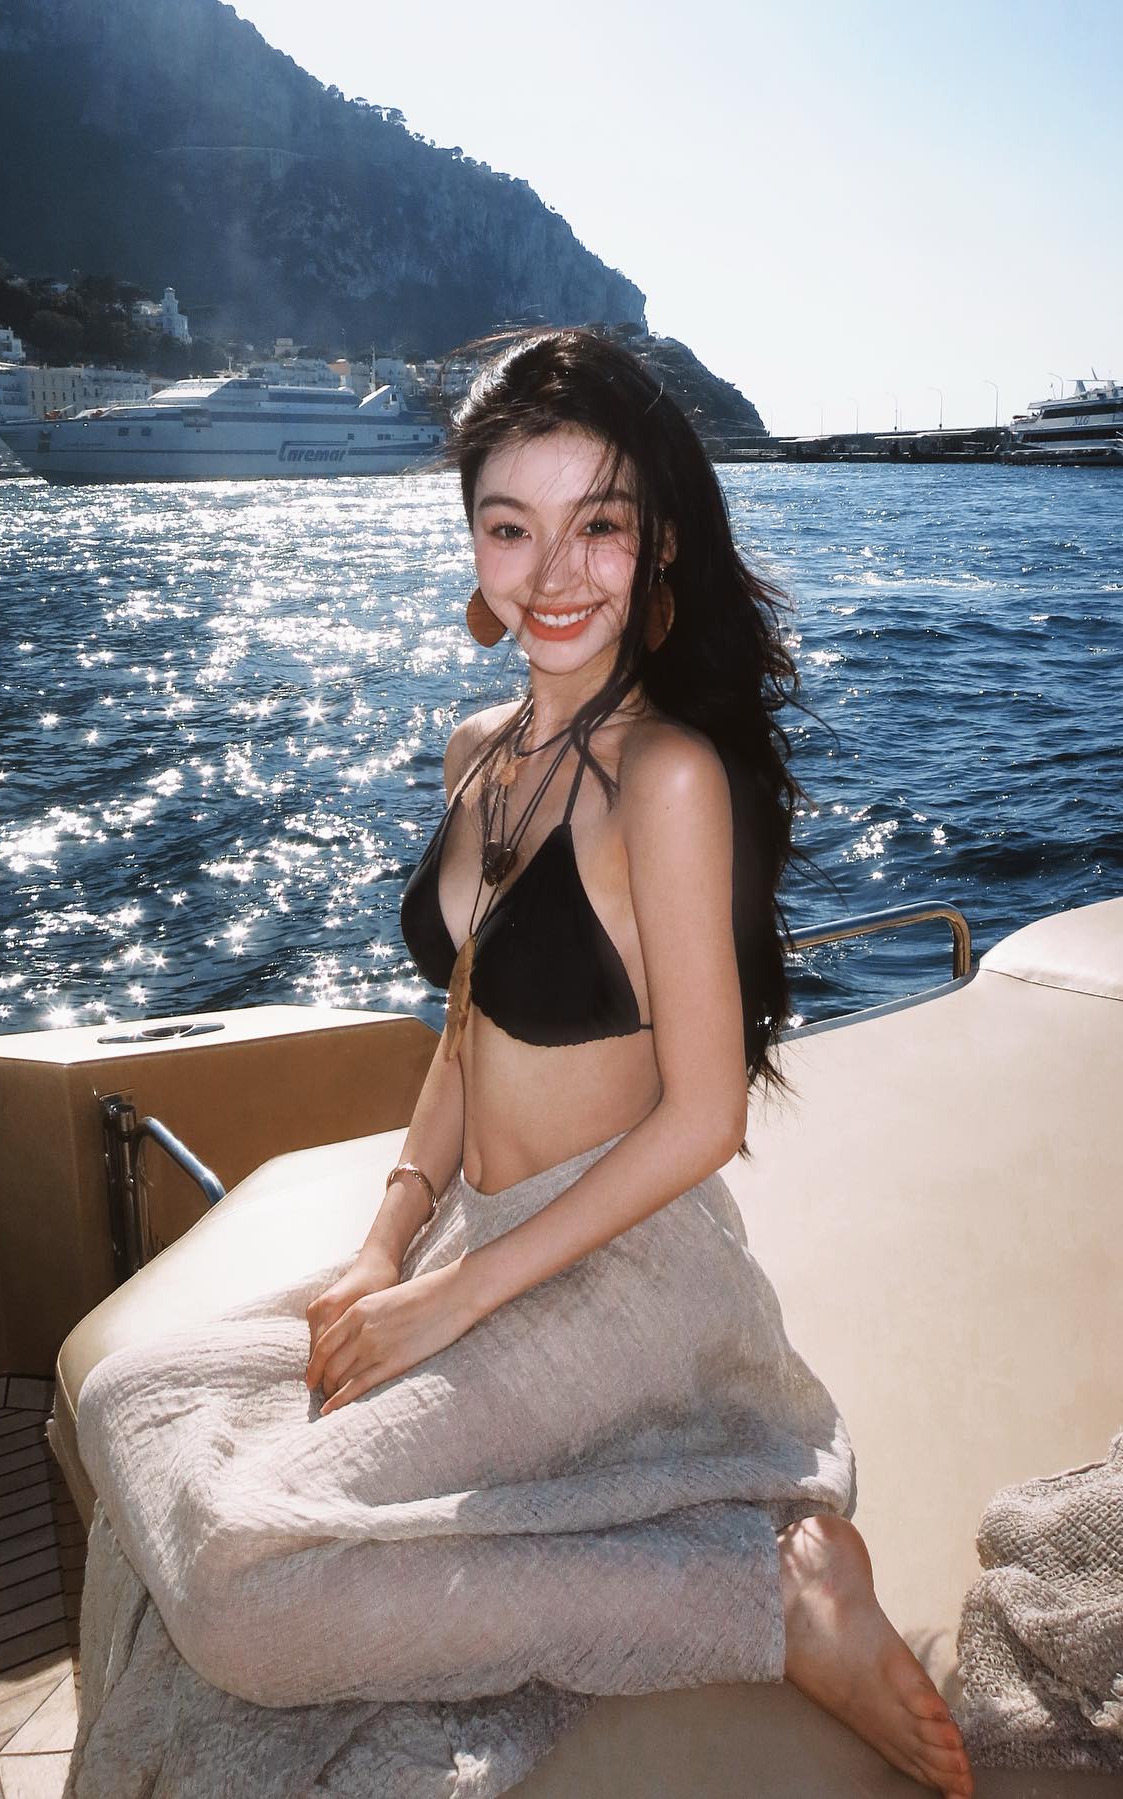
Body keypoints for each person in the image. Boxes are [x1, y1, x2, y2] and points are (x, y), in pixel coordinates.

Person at [298, 328, 974, 1796]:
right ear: (472, 545)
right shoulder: (479, 750)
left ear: (657, 539)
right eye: (510, 529)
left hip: (622, 1267)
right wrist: (387, 1243)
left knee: (260, 1574)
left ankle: (771, 1599)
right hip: (475, 1241)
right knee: (150, 1408)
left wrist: (448, 1303)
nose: (552, 575)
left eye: (596, 524)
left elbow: (708, 1115)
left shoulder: (665, 775)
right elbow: (465, 1025)